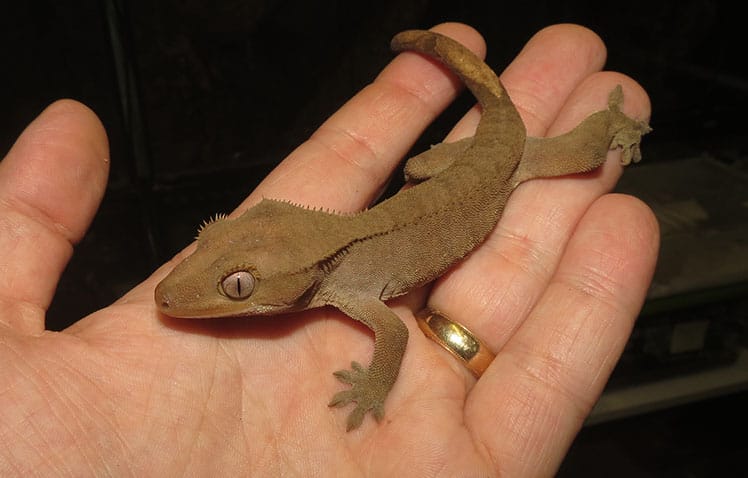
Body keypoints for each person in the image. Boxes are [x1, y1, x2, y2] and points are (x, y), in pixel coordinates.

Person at [0, 22, 657, 476]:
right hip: (457, 170)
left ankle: (613, 121)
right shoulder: (313, 262)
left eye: (238, 287)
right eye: (218, 259)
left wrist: (374, 391)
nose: (174, 298)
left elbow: (394, 340)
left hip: (503, 162)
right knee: (425, 166)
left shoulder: (352, 292)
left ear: (305, 276)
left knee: (572, 157)